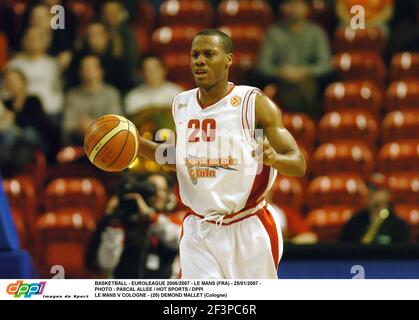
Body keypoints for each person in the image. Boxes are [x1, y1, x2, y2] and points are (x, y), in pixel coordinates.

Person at [135, 29, 306, 279]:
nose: (199, 61)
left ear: (228, 59)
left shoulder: (252, 102)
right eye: (195, 55)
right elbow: (176, 160)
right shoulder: (181, 103)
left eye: (208, 54)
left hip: (248, 227)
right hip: (199, 230)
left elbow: (298, 163)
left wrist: (274, 159)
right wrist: (135, 144)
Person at [86, 172, 183, 279]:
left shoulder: (174, 220)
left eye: (163, 190)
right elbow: (106, 263)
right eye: (152, 188)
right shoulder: (126, 221)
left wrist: (150, 216)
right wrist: (114, 220)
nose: (158, 194)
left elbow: (177, 239)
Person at [256, 0, 331, 117]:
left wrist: (305, 71)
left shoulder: (316, 32)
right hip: (281, 81)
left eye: (299, 4)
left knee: (309, 86)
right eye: (290, 4)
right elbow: (263, 66)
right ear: (283, 8)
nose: (295, 8)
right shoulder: (273, 32)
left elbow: (325, 64)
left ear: (307, 8)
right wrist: (281, 72)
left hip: (310, 82)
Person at [0, 68, 60, 163]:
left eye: (15, 80)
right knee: (10, 136)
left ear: (23, 82)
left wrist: (15, 118)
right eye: (9, 81)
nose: (12, 84)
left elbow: (38, 124)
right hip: (17, 144)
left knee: (27, 133)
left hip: (38, 139)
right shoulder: (6, 104)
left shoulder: (33, 100)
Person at [62, 55, 122, 146]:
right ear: (80, 73)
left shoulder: (111, 93)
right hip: (80, 144)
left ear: (101, 71)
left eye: (92, 68)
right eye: (85, 68)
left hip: (107, 145)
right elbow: (67, 126)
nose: (89, 71)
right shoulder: (72, 95)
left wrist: (92, 127)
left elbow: (116, 123)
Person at [7, 26, 63, 123]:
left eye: (36, 39)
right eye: (29, 38)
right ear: (23, 41)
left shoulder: (53, 64)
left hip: (50, 111)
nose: (32, 42)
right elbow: (6, 91)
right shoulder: (14, 64)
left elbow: (58, 89)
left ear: (45, 42)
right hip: (22, 112)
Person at [340, 187, 410, 244]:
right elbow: (344, 244)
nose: (378, 208)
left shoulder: (398, 225)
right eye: (375, 204)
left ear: (388, 204)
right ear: (369, 202)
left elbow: (402, 249)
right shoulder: (355, 222)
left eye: (382, 203)